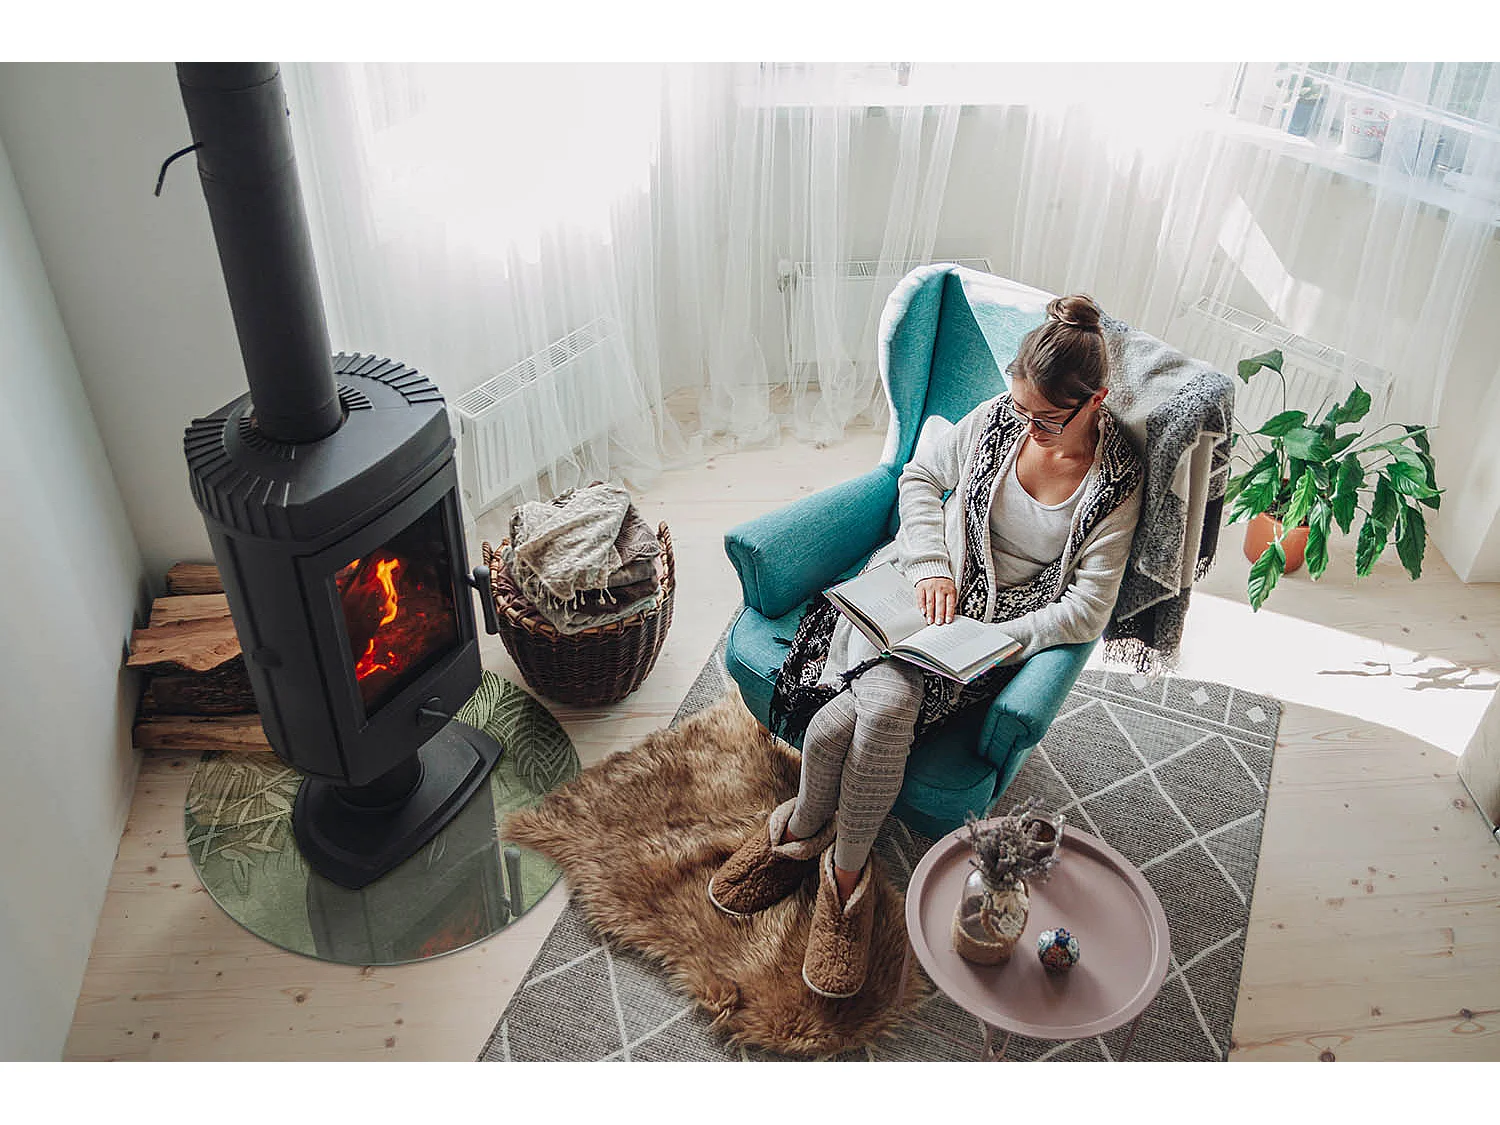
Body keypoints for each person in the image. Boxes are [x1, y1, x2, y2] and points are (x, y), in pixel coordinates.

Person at [708, 293, 1145, 999]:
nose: (1026, 429)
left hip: (991, 633)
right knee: (878, 711)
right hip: (917, 583)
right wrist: (932, 566)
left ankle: (812, 851)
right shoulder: (1003, 417)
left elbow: (1087, 608)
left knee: (854, 721)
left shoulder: (1116, 482)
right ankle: (838, 875)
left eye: (1045, 419)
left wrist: (1001, 641)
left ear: (1094, 400)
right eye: (1019, 408)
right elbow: (919, 476)